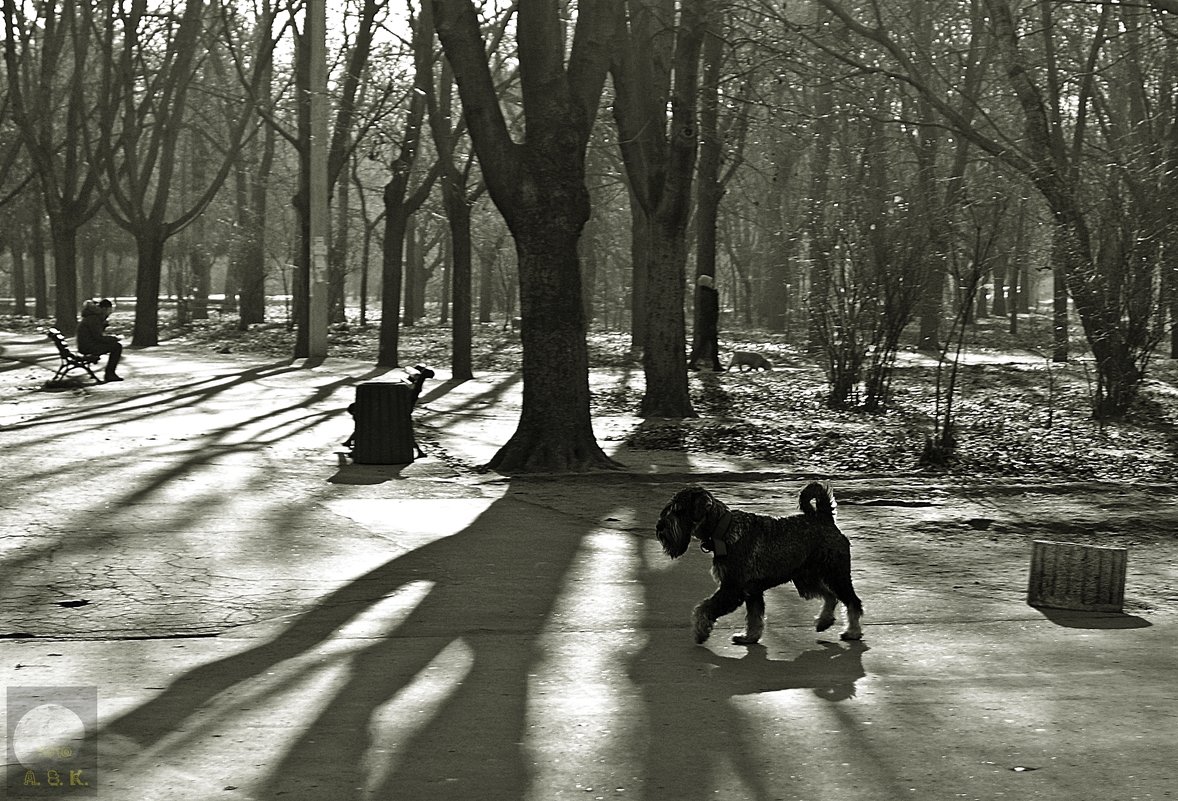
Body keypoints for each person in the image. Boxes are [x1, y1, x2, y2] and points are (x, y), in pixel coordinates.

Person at [77, 298, 124, 383]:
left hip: (87, 344)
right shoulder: (94, 319)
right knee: (117, 347)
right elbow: (98, 338)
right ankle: (110, 374)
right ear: (104, 309)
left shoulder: (93, 317)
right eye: (110, 310)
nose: (110, 313)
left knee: (115, 345)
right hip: (87, 347)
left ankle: (110, 373)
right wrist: (114, 338)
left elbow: (96, 335)